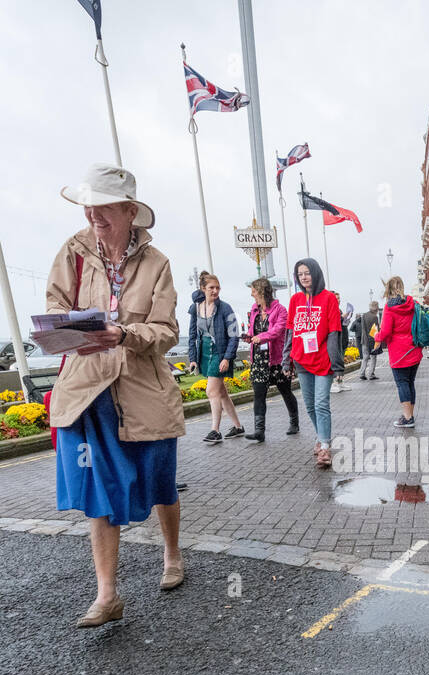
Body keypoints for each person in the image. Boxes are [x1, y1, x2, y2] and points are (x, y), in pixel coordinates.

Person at [48, 163, 184, 628]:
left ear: (130, 211)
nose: (94, 216)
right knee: (98, 490)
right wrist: (68, 328)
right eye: (89, 207)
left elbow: (166, 330)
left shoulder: (157, 263)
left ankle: (172, 554)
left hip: (141, 388)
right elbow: (54, 306)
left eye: (104, 207)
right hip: (88, 390)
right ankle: (107, 594)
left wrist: (124, 334)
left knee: (160, 480)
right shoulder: (74, 251)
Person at [282, 258, 341, 469]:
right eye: (300, 274)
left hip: (323, 361)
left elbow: (334, 332)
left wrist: (337, 363)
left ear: (315, 273)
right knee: (309, 406)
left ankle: (325, 446)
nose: (304, 277)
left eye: (307, 273)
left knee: (321, 404)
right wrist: (286, 361)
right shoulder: (295, 300)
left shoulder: (328, 298)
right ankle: (320, 436)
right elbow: (290, 332)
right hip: (301, 361)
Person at [187, 272, 245, 444]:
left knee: (211, 391)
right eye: (211, 287)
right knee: (221, 393)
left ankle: (215, 430)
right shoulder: (195, 308)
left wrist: (227, 358)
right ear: (203, 289)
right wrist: (192, 358)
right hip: (204, 351)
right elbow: (192, 335)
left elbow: (234, 335)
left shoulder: (226, 308)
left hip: (219, 352)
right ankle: (238, 427)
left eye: (217, 287)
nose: (215, 291)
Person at [244, 276, 299, 444]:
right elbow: (254, 331)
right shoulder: (254, 310)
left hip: (276, 358)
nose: (252, 294)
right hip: (259, 360)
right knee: (259, 394)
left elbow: (277, 330)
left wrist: (261, 337)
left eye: (253, 291)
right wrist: (250, 337)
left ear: (261, 291)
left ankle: (294, 422)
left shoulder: (280, 310)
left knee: (285, 391)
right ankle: (259, 431)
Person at [374, 277, 423, 429]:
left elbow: (386, 331)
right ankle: (410, 415)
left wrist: (377, 336)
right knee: (410, 383)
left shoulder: (389, 307)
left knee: (402, 384)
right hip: (414, 349)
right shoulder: (412, 303)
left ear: (388, 289)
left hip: (399, 352)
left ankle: (408, 418)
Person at [358, 301, 382, 381]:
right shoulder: (375, 317)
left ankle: (362, 373)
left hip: (364, 340)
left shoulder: (364, 315)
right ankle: (371, 374)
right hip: (372, 340)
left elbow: (363, 329)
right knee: (373, 357)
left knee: (365, 358)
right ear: (376, 308)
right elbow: (375, 331)